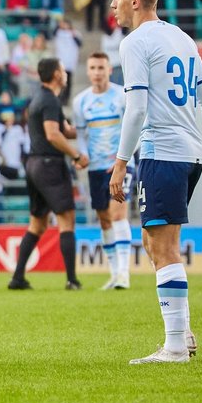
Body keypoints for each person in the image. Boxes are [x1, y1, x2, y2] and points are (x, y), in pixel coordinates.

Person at [108, 0, 202, 364]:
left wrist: (120, 163)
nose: (113, 4)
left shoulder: (135, 42)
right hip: (191, 153)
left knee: (163, 246)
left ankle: (175, 346)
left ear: (136, 1)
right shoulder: (181, 37)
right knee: (152, 240)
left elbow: (137, 108)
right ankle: (184, 334)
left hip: (162, 150)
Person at [7, 58, 88, 291]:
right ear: (55, 75)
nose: (65, 73)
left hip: (34, 165)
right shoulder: (50, 100)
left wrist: (88, 126)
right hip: (50, 164)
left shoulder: (40, 99)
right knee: (67, 219)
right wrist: (76, 156)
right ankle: (72, 279)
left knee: (38, 224)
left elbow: (66, 131)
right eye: (62, 69)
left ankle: (18, 277)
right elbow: (53, 135)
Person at [72, 52, 132, 290]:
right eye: (93, 67)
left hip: (119, 165)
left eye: (101, 67)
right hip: (96, 167)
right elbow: (79, 134)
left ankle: (125, 274)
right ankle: (114, 272)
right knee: (104, 219)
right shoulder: (80, 102)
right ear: (88, 71)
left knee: (118, 214)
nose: (97, 72)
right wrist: (83, 154)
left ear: (109, 70)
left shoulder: (121, 96)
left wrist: (124, 159)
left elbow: (134, 127)